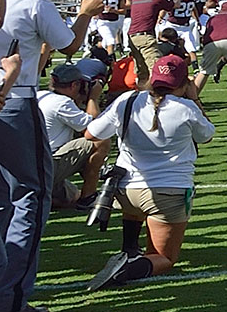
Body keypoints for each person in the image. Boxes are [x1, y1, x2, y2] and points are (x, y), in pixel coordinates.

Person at [0, 0, 101, 312]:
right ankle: (10, 296)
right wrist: (86, 12)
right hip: (15, 99)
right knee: (30, 195)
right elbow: (67, 45)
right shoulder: (31, 0)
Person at [83, 53, 214, 290]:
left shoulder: (127, 99)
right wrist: (195, 100)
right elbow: (207, 136)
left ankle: (128, 251)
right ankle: (125, 270)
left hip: (126, 189)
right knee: (165, 259)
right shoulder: (186, 108)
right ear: (184, 84)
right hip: (168, 192)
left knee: (136, 214)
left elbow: (91, 133)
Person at [36, 62, 107, 210]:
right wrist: (93, 98)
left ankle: (48, 197)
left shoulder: (40, 95)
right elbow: (95, 130)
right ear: (74, 85)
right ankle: (88, 197)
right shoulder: (62, 103)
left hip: (33, 166)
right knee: (101, 140)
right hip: (48, 165)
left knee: (71, 198)